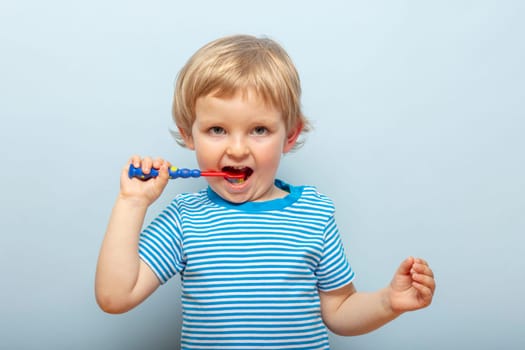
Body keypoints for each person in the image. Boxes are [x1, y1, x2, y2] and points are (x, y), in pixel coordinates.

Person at [95, 34, 435, 350]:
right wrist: (132, 202)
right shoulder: (185, 218)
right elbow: (115, 297)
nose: (238, 149)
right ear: (189, 135)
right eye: (217, 129)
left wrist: (388, 302)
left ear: (289, 135)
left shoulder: (315, 214)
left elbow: (340, 310)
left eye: (259, 129)